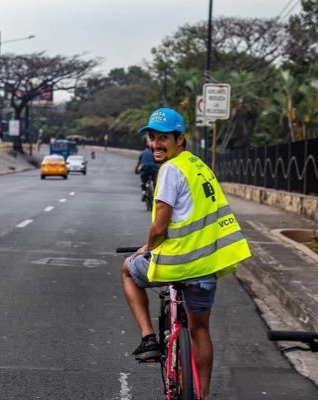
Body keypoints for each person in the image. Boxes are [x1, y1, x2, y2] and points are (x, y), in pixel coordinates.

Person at [121, 107, 251, 399]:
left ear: (180, 139)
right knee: (200, 329)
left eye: (163, 137)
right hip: (206, 266)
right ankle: (202, 394)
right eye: (152, 137)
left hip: (175, 262)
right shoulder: (199, 166)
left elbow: (159, 227)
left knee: (128, 269)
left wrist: (147, 248)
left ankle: (149, 339)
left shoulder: (170, 169)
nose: (156, 144)